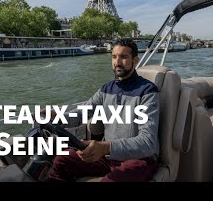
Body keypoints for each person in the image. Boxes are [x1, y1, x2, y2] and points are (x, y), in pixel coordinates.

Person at [46, 38, 160, 182]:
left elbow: (148, 142)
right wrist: (58, 116)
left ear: (135, 60)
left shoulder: (148, 91)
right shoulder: (107, 89)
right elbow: (84, 112)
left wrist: (106, 147)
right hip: (108, 157)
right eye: (114, 57)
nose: (117, 62)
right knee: (62, 160)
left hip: (138, 159)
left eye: (123, 57)